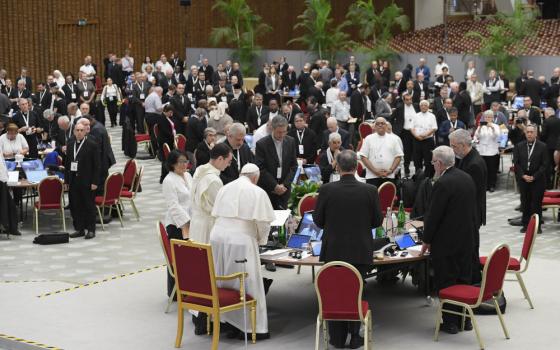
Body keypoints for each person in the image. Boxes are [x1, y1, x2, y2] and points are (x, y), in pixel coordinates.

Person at [313, 150, 382, 349]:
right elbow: (377, 221)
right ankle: (355, 335)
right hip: (360, 249)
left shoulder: (327, 190)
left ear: (337, 166)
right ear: (357, 166)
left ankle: (336, 338)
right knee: (357, 291)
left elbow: (318, 220)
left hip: (333, 248)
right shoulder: (369, 190)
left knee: (335, 292)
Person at [209, 163, 275, 340]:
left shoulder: (226, 187)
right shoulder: (257, 191)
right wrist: (261, 241)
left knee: (224, 278)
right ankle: (250, 327)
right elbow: (263, 222)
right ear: (255, 177)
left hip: (217, 236)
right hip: (241, 239)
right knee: (247, 281)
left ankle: (226, 321)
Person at [421, 146, 477, 334]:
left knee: (447, 282)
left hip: (446, 242)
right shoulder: (466, 178)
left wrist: (426, 240)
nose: (432, 165)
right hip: (466, 238)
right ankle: (465, 320)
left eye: (433, 162)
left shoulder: (442, 183)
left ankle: (451, 322)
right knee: (463, 279)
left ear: (439, 163)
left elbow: (433, 215)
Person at [449, 129, 487, 284]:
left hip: (471, 214)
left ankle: (472, 281)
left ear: (462, 145)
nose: (452, 150)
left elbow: (469, 194)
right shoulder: (467, 158)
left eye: (453, 146)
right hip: (470, 212)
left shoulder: (474, 164)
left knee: (470, 250)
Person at [162, 149, 193, 296]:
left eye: (185, 161)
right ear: (173, 164)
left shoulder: (188, 175)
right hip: (176, 224)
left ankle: (191, 287)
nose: (183, 165)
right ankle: (176, 292)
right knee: (179, 259)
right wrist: (186, 224)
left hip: (191, 220)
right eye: (180, 162)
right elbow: (173, 206)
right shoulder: (169, 180)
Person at [190, 143, 233, 244]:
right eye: (228, 161)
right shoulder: (213, 180)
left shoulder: (200, 169)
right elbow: (220, 208)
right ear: (220, 159)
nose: (229, 165)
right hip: (208, 226)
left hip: (196, 222)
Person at [65, 123, 100, 240]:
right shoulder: (70, 144)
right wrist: (66, 180)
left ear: (86, 132)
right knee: (76, 205)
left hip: (87, 181)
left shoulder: (92, 144)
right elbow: (67, 163)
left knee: (89, 206)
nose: (79, 132)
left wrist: (95, 182)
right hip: (74, 180)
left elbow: (97, 165)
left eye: (81, 130)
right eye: (77, 130)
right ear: (74, 131)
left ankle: (91, 229)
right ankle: (79, 229)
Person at [255, 115, 298, 210]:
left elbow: (293, 166)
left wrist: (284, 185)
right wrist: (275, 186)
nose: (282, 135)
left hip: (284, 190)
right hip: (268, 190)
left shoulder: (290, 141)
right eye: (279, 132)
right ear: (272, 129)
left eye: (284, 131)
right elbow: (261, 168)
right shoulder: (262, 144)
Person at [513, 124, 548, 233]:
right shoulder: (519, 146)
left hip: (537, 179)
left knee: (536, 203)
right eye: (527, 132)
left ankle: (537, 226)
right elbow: (516, 163)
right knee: (525, 202)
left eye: (531, 132)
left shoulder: (543, 146)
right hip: (524, 178)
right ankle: (525, 224)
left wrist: (534, 176)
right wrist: (523, 175)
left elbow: (545, 165)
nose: (529, 134)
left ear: (536, 133)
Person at [360, 117, 403, 187]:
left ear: (386, 126)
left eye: (382, 123)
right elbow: (363, 156)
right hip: (372, 176)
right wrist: (375, 171)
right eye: (377, 124)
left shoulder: (394, 139)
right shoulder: (368, 138)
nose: (380, 125)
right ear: (374, 127)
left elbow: (398, 156)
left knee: (387, 197)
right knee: (373, 197)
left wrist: (391, 170)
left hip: (389, 175)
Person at [474, 110, 501, 192]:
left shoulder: (496, 126)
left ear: (492, 118)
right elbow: (476, 137)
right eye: (486, 117)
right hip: (482, 151)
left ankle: (492, 185)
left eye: (489, 117)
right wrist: (479, 128)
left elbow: (497, 136)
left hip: (492, 151)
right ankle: (484, 185)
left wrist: (492, 128)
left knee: (492, 169)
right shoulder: (481, 126)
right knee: (483, 169)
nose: (488, 118)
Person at [412, 100, 437, 177]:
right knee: (417, 160)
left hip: (428, 140)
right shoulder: (415, 116)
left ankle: (428, 177)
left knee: (428, 160)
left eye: (425, 105)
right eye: (422, 105)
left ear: (428, 106)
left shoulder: (432, 116)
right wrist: (416, 136)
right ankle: (418, 176)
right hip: (417, 140)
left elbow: (434, 128)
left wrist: (424, 135)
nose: (423, 106)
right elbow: (412, 128)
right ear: (420, 107)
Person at [541, 107, 560, 188]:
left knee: (548, 166)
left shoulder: (546, 121)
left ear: (547, 114)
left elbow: (543, 135)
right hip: (558, 146)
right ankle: (556, 183)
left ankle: (549, 185)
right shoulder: (559, 120)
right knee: (557, 166)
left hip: (548, 147)